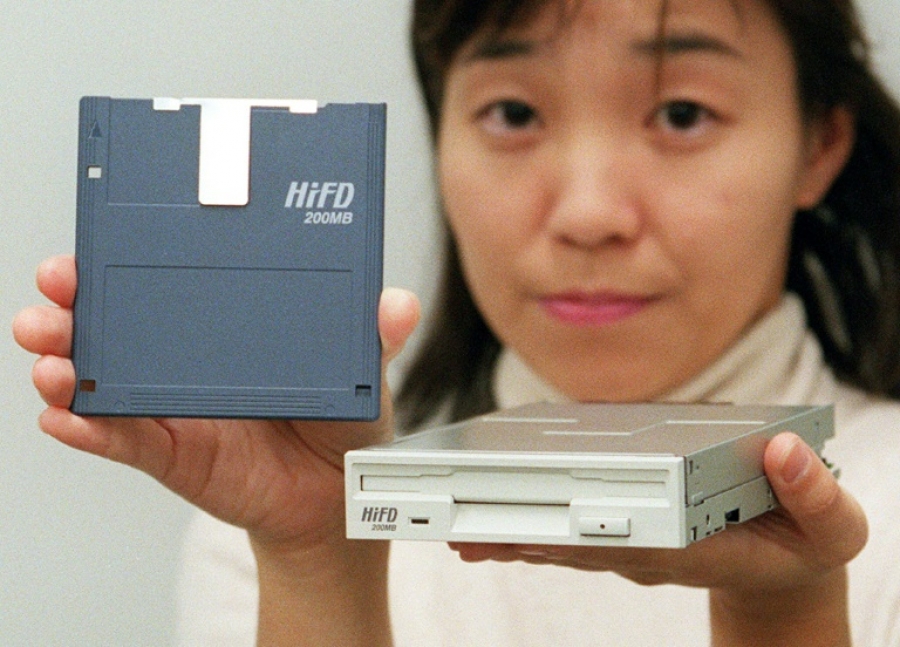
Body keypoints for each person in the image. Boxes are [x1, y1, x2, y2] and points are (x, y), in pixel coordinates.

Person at [13, 0, 900, 644]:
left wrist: (786, 608)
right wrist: (315, 558)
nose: (588, 214)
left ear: (820, 145)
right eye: (513, 113)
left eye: (683, 114)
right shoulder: (278, 522)